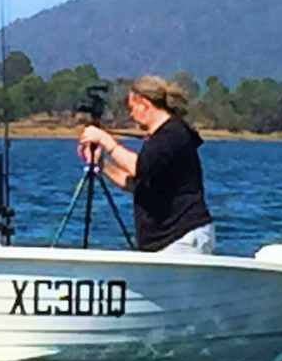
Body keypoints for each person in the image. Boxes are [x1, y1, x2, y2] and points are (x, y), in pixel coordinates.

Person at [75, 74, 215, 253]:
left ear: (144, 104)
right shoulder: (159, 140)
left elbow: (139, 167)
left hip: (182, 235)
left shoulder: (172, 135)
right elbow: (136, 182)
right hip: (162, 239)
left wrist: (106, 141)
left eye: (132, 108)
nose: (132, 115)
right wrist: (101, 165)